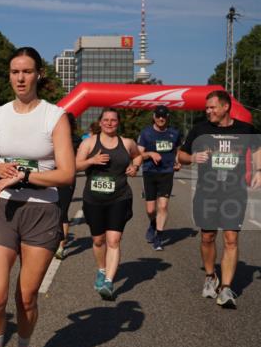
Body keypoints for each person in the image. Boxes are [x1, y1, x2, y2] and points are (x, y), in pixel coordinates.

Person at [0, 47, 75, 347]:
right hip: (3, 209)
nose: (20, 78)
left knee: (26, 297)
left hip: (41, 212)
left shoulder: (54, 116)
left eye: (27, 71)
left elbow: (66, 173)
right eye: (15, 72)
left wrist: (27, 177)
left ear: (38, 75)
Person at [177, 90, 261, 308]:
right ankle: (210, 276)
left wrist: (259, 169)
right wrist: (193, 157)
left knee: (231, 239)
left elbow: (258, 149)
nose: (208, 111)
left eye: (212, 107)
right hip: (207, 191)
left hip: (234, 193)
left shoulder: (245, 130)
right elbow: (181, 156)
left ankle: (225, 288)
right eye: (206, 108)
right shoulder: (200, 129)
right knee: (207, 237)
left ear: (225, 107)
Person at [75, 108, 142, 300]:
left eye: (113, 120)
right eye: (106, 120)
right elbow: (75, 165)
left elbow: (137, 156)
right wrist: (92, 160)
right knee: (98, 240)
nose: (110, 123)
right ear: (100, 122)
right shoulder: (89, 142)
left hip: (119, 197)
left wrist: (134, 166)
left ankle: (109, 282)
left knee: (113, 240)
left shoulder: (127, 143)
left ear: (118, 123)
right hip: (94, 199)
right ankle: (102, 270)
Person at [137, 106, 182, 251]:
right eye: (158, 116)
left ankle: (159, 237)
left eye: (164, 116)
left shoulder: (174, 133)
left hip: (167, 173)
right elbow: (137, 155)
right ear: (154, 116)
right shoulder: (146, 133)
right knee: (151, 210)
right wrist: (150, 154)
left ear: (167, 117)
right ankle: (152, 223)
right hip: (150, 172)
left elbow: (177, 151)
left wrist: (177, 161)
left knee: (162, 206)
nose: (161, 119)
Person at [54, 112, 80, 260]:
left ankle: (60, 247)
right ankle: (52, 242)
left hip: (66, 179)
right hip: (50, 177)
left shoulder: (75, 140)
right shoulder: (52, 138)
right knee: (51, 210)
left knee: (62, 212)